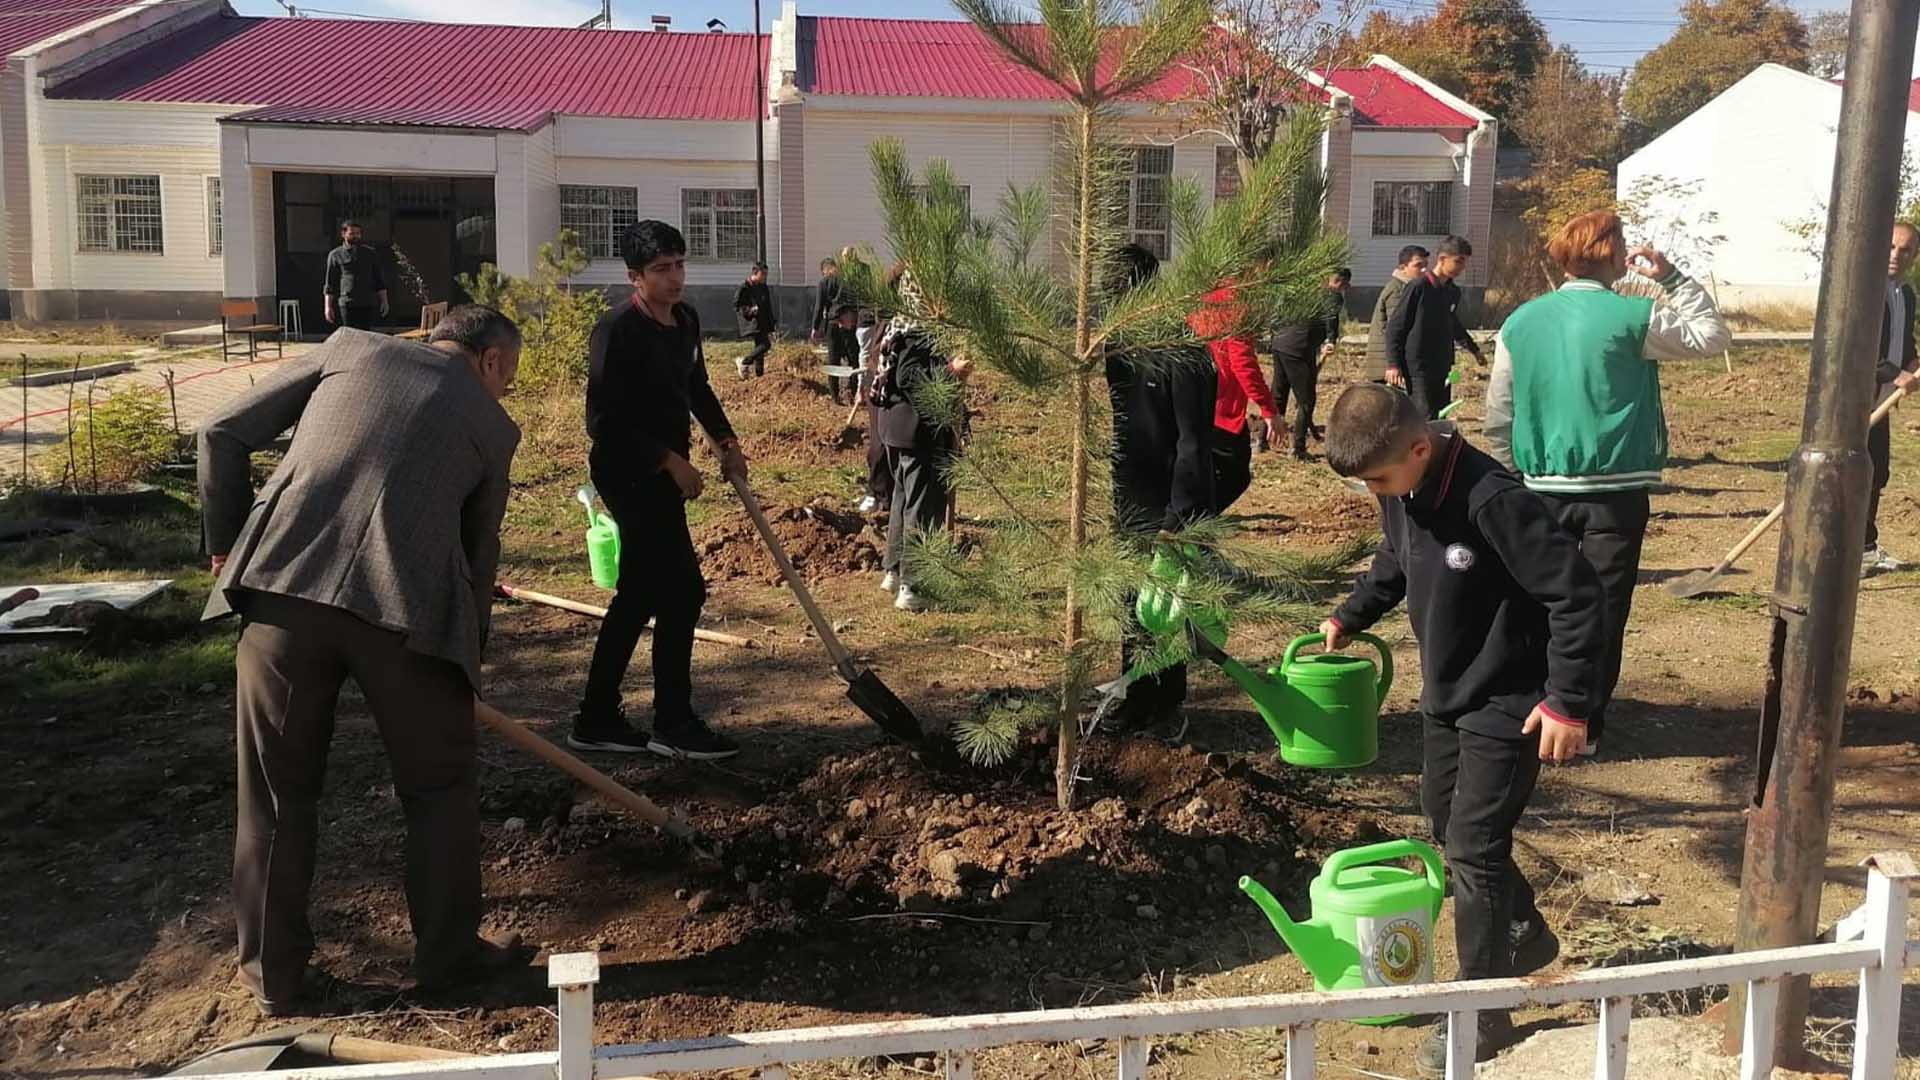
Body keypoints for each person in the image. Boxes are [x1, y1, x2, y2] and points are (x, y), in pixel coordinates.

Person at [198, 306, 527, 1015]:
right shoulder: (494, 426)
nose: (505, 392)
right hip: (407, 617)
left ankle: (273, 981)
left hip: (282, 590)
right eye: (510, 378)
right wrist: (470, 659)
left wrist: (226, 549)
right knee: (440, 791)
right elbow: (478, 558)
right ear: (492, 361)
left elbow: (219, 432)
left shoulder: (348, 348)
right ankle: (448, 961)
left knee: (275, 798)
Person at [1318, 383, 1603, 1077]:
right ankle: (1522, 933)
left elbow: (1576, 594)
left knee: (1474, 849)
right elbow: (1395, 557)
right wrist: (1353, 613)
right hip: (1448, 689)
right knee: (1443, 822)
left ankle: (1481, 1014)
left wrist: (1568, 701)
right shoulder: (1401, 485)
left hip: (1510, 700)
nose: (1376, 493)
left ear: (1420, 448)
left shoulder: (1492, 500)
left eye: (1380, 481)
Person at [1485, 211, 1730, 756]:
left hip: (1540, 484)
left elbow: (1499, 409)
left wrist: (1513, 470)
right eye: (1622, 246)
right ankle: (1581, 720)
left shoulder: (1521, 321)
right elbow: (1712, 337)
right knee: (1601, 605)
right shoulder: (1634, 316)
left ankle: (1530, 705)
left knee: (1538, 599)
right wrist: (1670, 278)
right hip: (1615, 491)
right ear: (1612, 255)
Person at [573, 220, 749, 759]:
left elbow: (696, 387)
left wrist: (725, 439)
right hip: (627, 471)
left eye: (679, 265)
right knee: (683, 591)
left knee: (641, 593)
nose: (675, 278)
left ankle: (598, 716)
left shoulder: (686, 322)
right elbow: (603, 421)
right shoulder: (617, 331)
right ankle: (673, 722)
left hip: (665, 468)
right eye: (661, 270)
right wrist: (669, 460)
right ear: (635, 277)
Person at [1109, 244, 1217, 730]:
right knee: (1133, 605)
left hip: (1172, 500)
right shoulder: (1118, 347)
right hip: (1130, 495)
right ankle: (1136, 692)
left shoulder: (1183, 353)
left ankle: (1165, 703)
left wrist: (1180, 517)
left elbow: (1194, 443)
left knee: (1165, 607)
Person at [876, 269, 971, 613]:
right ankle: (912, 585)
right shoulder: (918, 329)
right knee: (923, 506)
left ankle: (894, 569)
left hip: (897, 430)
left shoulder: (899, 324)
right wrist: (951, 372)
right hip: (917, 432)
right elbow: (909, 376)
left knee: (903, 501)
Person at [1188, 278, 1279, 513]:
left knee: (1198, 468)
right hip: (1220, 406)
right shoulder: (1236, 301)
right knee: (1235, 475)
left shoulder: (1204, 292)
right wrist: (1268, 408)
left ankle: (1188, 522)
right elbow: (1242, 363)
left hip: (1191, 396)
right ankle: (1193, 524)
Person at [1866, 222, 1920, 573]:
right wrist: (1894, 374)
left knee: (1877, 472)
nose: (1896, 255)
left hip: (1883, 401)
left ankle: (1865, 548)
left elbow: (1903, 341)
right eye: (1891, 247)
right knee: (1853, 473)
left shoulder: (1906, 294)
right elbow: (1857, 347)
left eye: (1905, 250)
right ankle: (1841, 550)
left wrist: (1912, 362)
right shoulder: (1866, 290)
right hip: (1855, 399)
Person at [1386, 235, 1484, 418]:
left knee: (1440, 415)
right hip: (1418, 366)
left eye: (1464, 263)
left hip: (1442, 363)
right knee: (1424, 416)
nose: (1462, 268)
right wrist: (1393, 363)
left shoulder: (1452, 291)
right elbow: (1396, 326)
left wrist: (1474, 350)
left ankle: (1438, 446)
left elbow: (1452, 323)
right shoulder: (1418, 287)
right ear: (1442, 259)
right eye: (1458, 261)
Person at [1270, 268, 1351, 459]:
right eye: (1346, 284)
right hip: (1299, 348)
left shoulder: (1303, 290)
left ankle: (1266, 440)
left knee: (1279, 392)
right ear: (1339, 282)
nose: (1347, 288)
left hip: (1280, 343)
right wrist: (1331, 339)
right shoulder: (1332, 296)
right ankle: (1297, 448)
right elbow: (1331, 317)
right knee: (1306, 400)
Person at [1368, 246, 1428, 387]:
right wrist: (1394, 365)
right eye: (1418, 265)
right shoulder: (1398, 290)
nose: (1424, 270)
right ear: (1403, 267)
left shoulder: (1409, 288)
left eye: (1426, 265)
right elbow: (1396, 329)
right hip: (1388, 367)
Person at [856, 306, 893, 514]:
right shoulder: (894, 325)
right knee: (880, 443)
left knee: (888, 443)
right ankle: (876, 493)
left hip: (882, 381)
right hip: (880, 382)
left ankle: (885, 494)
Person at [322, 219, 389, 332]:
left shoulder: (370, 253)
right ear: (343, 234)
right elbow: (330, 284)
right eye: (352, 233)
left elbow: (379, 280)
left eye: (358, 233)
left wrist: (384, 301)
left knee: (366, 336)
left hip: (367, 302)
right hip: (347, 302)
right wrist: (328, 307)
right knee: (349, 336)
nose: (356, 236)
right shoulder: (335, 255)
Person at [733, 261, 776, 379]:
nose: (765, 277)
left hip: (763, 322)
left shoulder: (763, 288)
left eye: (766, 274)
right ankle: (745, 362)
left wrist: (771, 326)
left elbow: (768, 307)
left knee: (760, 348)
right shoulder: (744, 287)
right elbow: (737, 305)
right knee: (765, 344)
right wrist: (750, 310)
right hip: (752, 321)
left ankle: (759, 375)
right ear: (755, 273)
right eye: (763, 274)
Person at [826, 304, 862, 404]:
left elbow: (821, 302)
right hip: (847, 319)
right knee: (853, 360)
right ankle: (851, 392)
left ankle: (836, 395)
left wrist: (816, 326)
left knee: (835, 360)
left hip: (836, 320)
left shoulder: (825, 287)